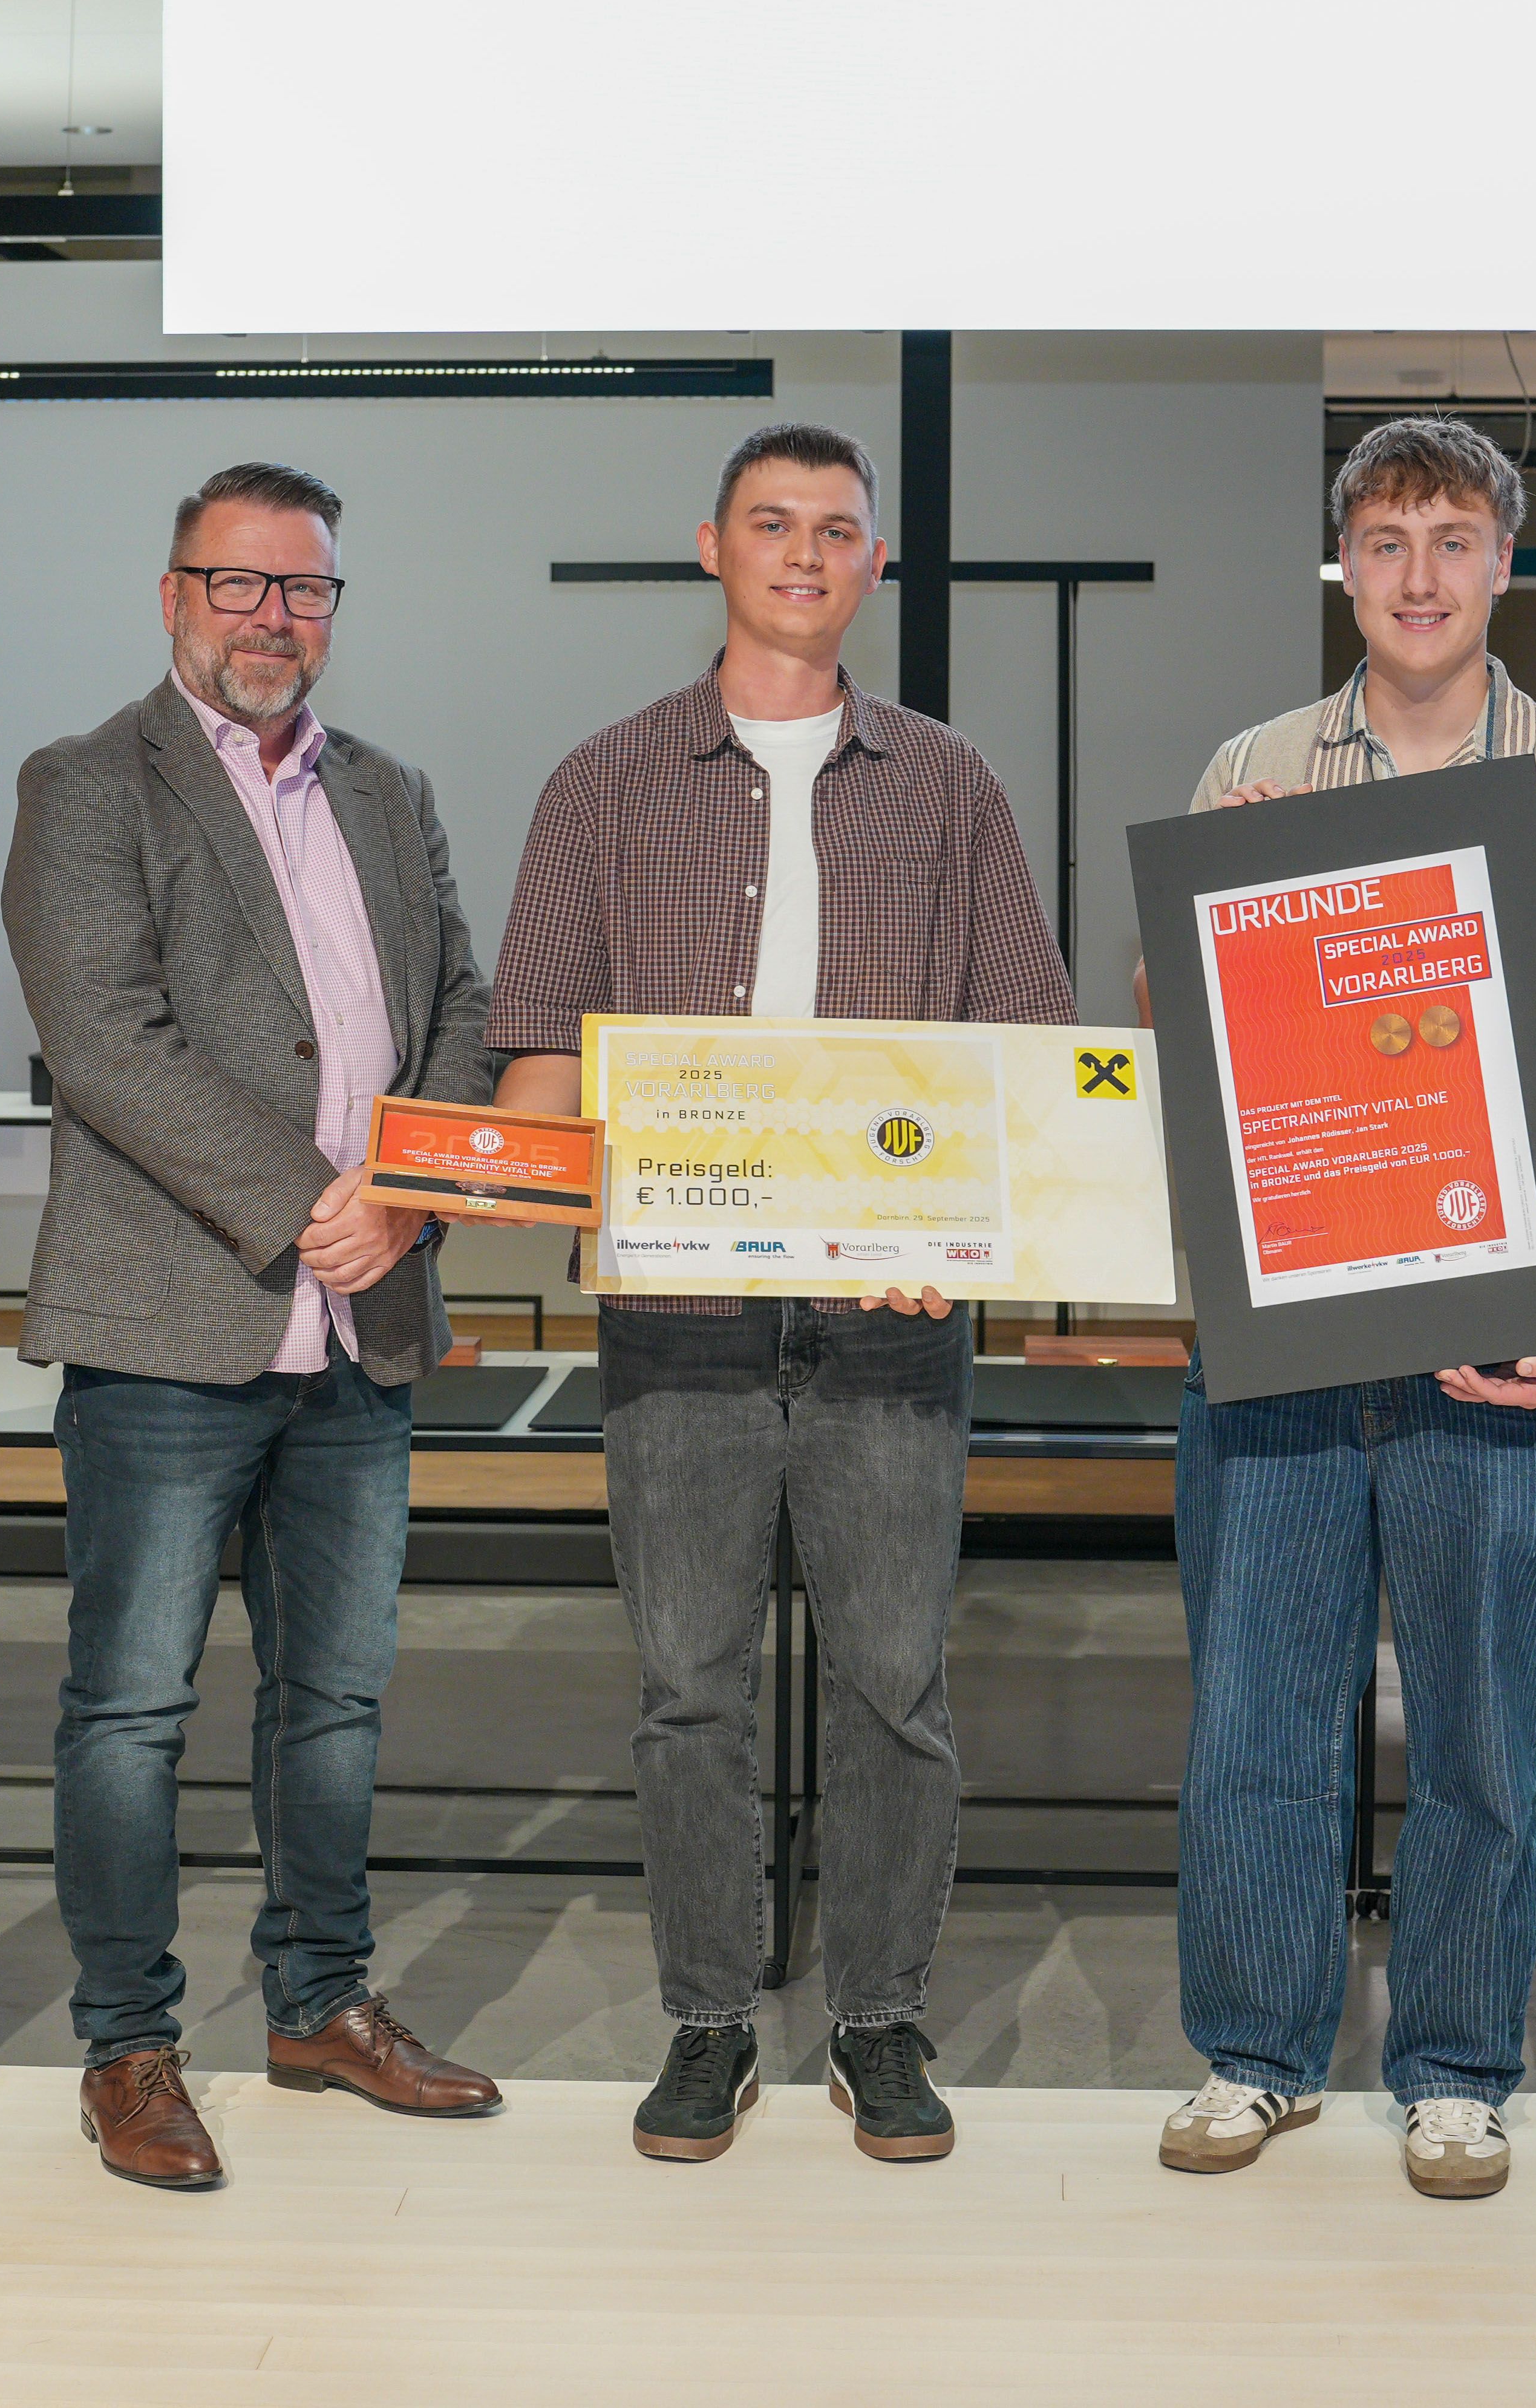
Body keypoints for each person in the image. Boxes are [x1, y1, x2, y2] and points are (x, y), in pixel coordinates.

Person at [486, 423, 1073, 2166]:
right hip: (677, 1325)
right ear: (712, 547)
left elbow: (1025, 1050)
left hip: (894, 1322)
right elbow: (539, 1051)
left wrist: (961, 1237)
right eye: (772, 523)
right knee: (689, 1690)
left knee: (895, 1688)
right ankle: (708, 2022)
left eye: (836, 529)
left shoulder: (951, 786)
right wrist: (515, 1180)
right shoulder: (602, 784)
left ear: (874, 562)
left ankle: (878, 2021)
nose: (805, 553)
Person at [1145, 417, 1536, 2194]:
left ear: (1503, 563)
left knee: (1477, 1730)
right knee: (1256, 1717)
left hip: (1489, 1339)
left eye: (1453, 539)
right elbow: (1177, 1023)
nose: (1419, 576)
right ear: (1347, 569)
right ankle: (1255, 2052)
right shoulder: (1252, 768)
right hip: (1286, 1334)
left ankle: (1455, 2067)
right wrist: (1215, 893)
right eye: (1385, 543)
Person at [4, 462, 502, 2194]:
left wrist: (409, 1201)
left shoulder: (391, 793)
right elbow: (105, 1040)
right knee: (130, 1709)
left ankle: (318, 2004)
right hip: (170, 1328)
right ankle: (127, 2046)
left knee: (335, 1703)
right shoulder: (86, 785)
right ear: (174, 596)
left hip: (367, 1330)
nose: (271, 617)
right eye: (239, 583)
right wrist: (316, 1203)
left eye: (303, 589)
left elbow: (461, 1009)